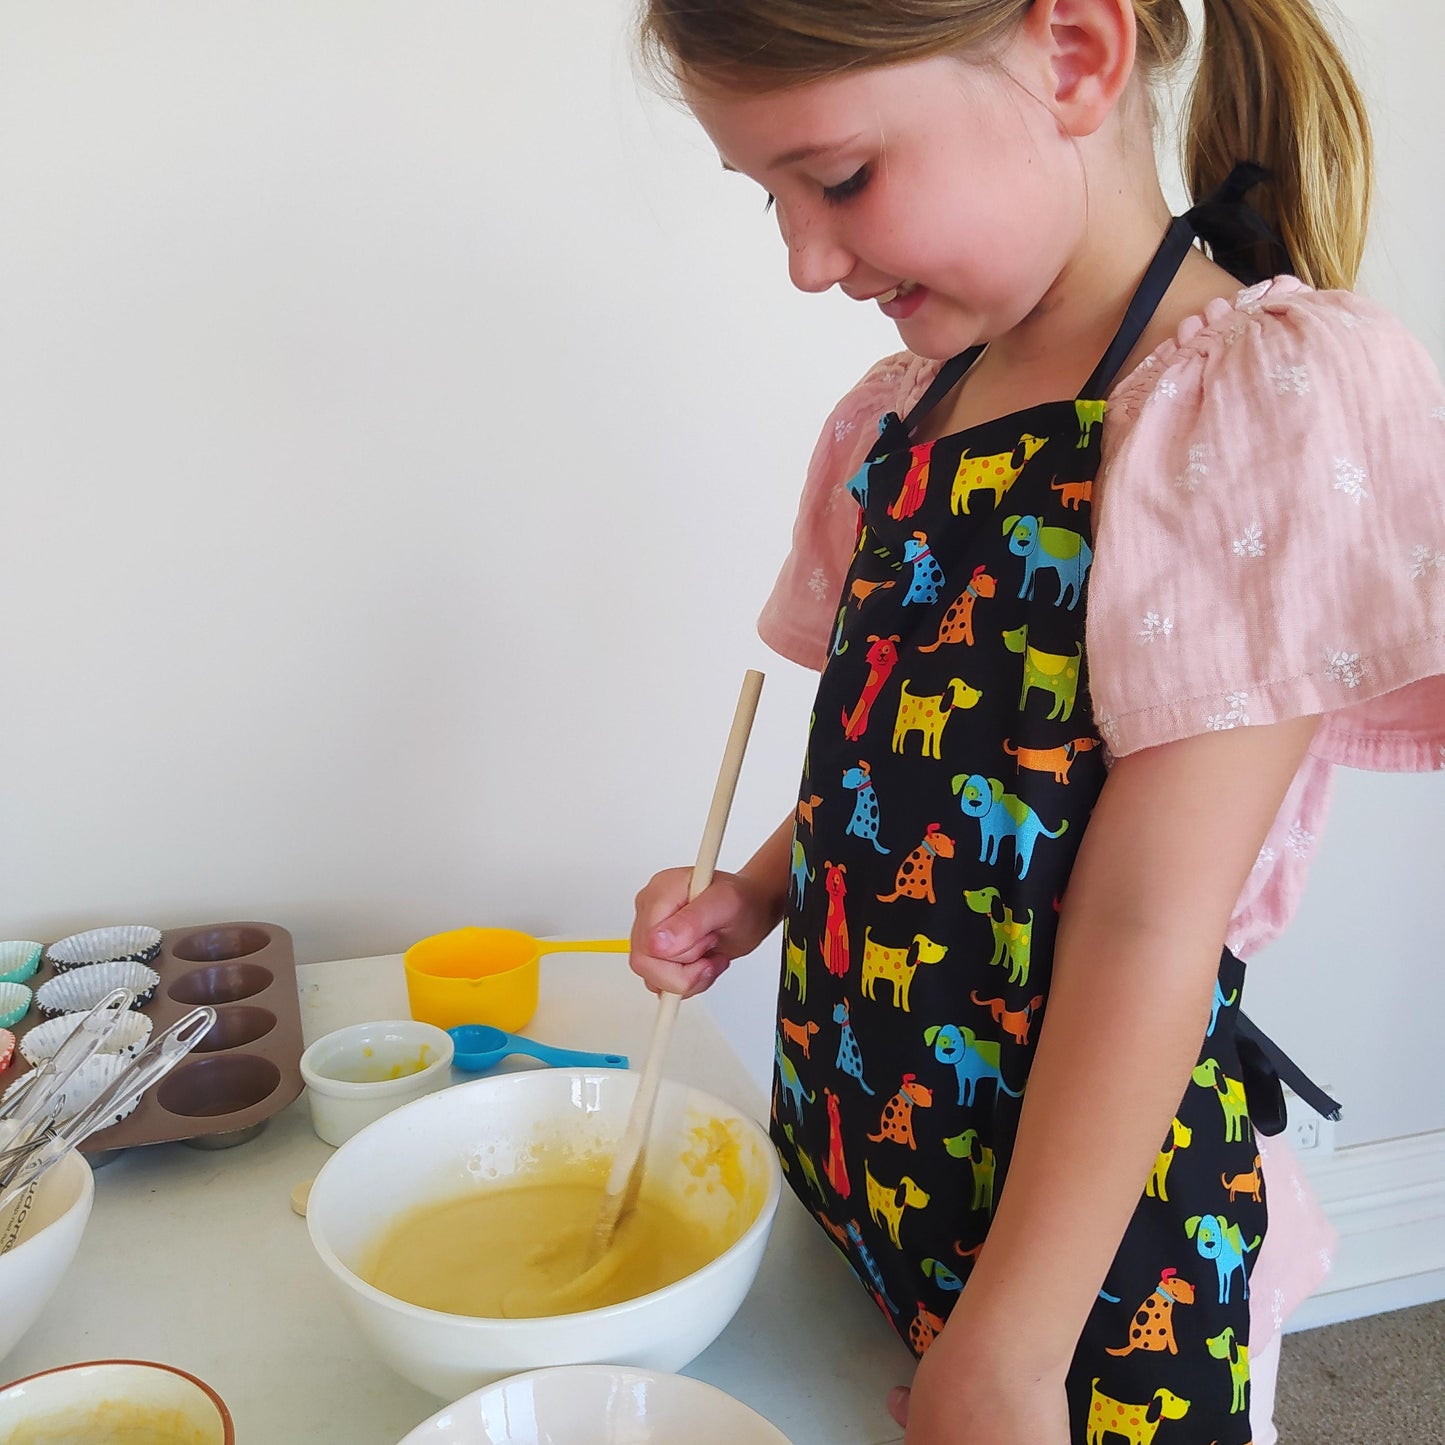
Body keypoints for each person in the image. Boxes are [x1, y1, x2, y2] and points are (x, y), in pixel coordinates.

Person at [626, 3, 1445, 1442]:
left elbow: (1146, 924)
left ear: (1075, 55)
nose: (806, 260)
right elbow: (886, 757)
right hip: (868, 1152)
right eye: (771, 198)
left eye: (839, 178)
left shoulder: (1234, 408)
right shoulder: (893, 418)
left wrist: (1004, 1355)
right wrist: (753, 891)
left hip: (1078, 1268)